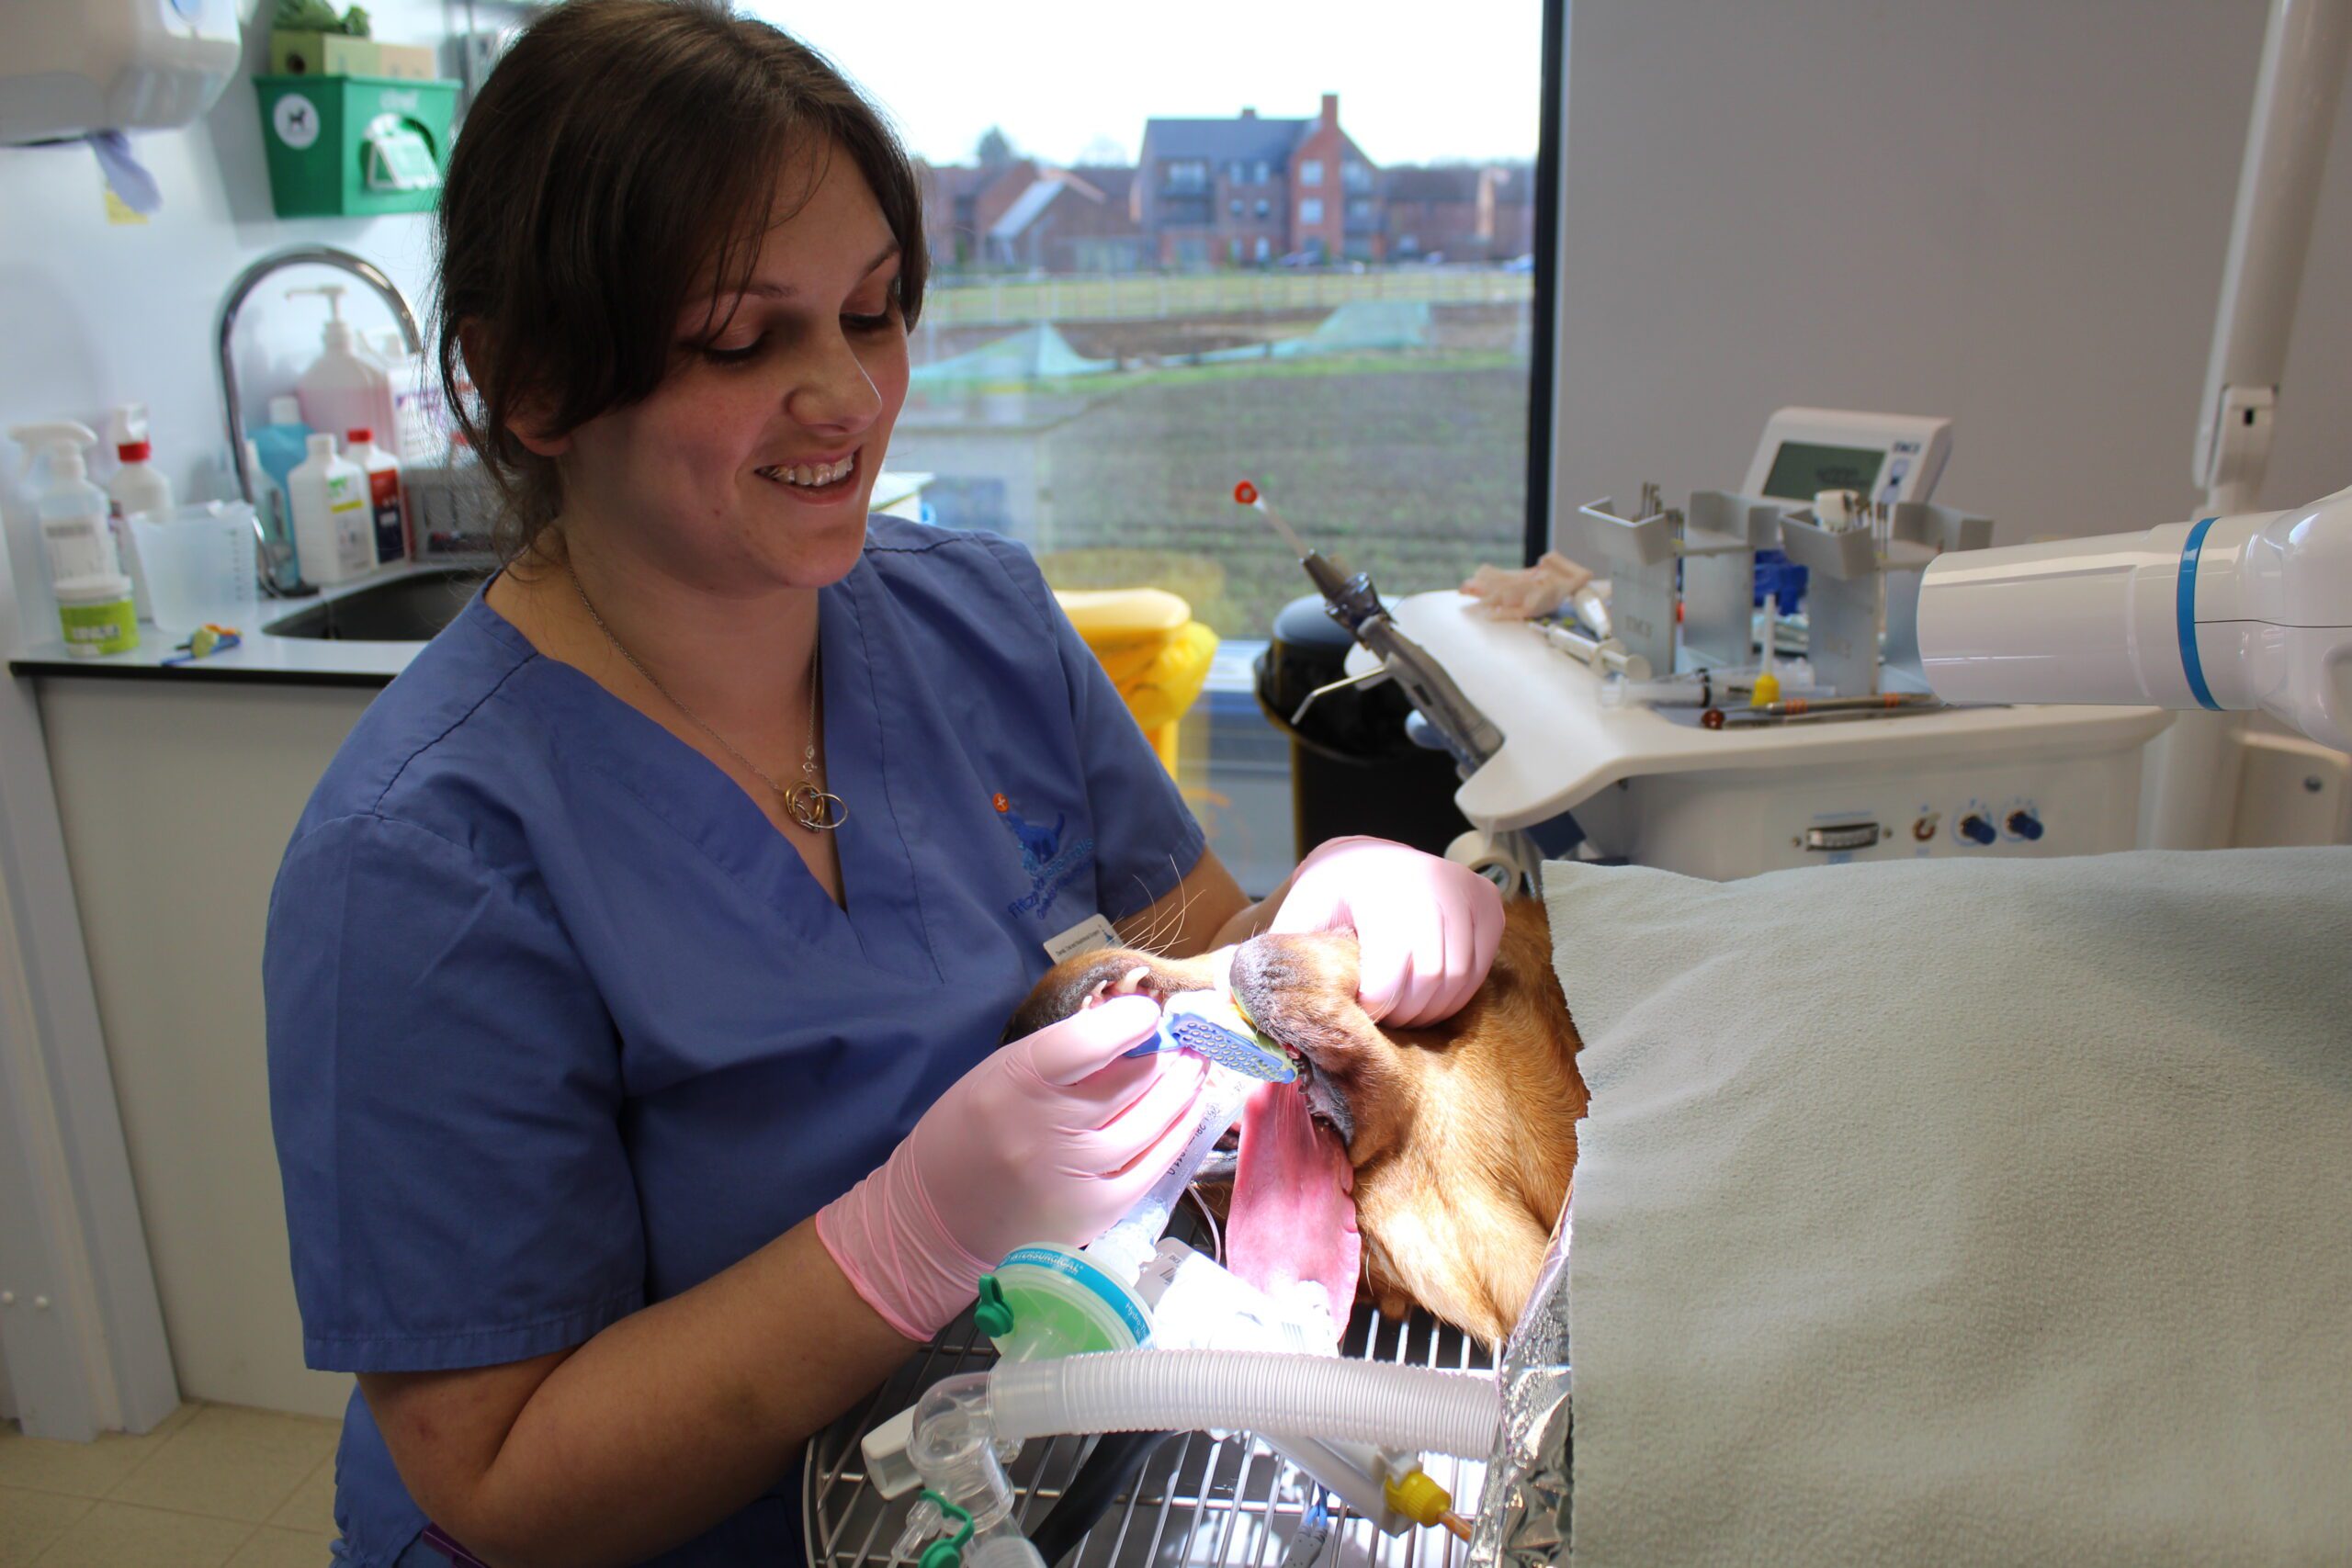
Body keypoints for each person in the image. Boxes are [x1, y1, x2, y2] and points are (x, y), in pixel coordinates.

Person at [261, 5, 1504, 1566]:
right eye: (743, 338)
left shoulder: (972, 620)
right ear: (532, 383)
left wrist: (1315, 928)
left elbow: (1195, 955)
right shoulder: (425, 861)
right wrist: (903, 1238)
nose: (847, 397)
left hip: (997, 1476)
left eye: (874, 313)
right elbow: (500, 1480)